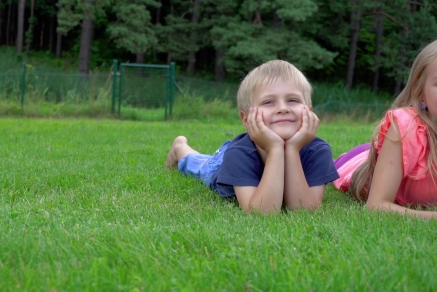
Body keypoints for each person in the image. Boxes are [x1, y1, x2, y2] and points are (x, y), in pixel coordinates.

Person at [165, 60, 339, 214]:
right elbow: (262, 212)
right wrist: (275, 149)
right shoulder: (239, 154)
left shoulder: (318, 151)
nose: (283, 108)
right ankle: (180, 148)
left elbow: (304, 210)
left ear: (309, 112)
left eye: (293, 100)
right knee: (202, 166)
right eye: (268, 102)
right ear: (246, 119)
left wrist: (292, 149)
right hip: (222, 164)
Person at [333, 40, 437, 219]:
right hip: (356, 163)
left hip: (386, 152)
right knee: (328, 166)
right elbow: (376, 205)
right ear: (420, 93)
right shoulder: (407, 127)